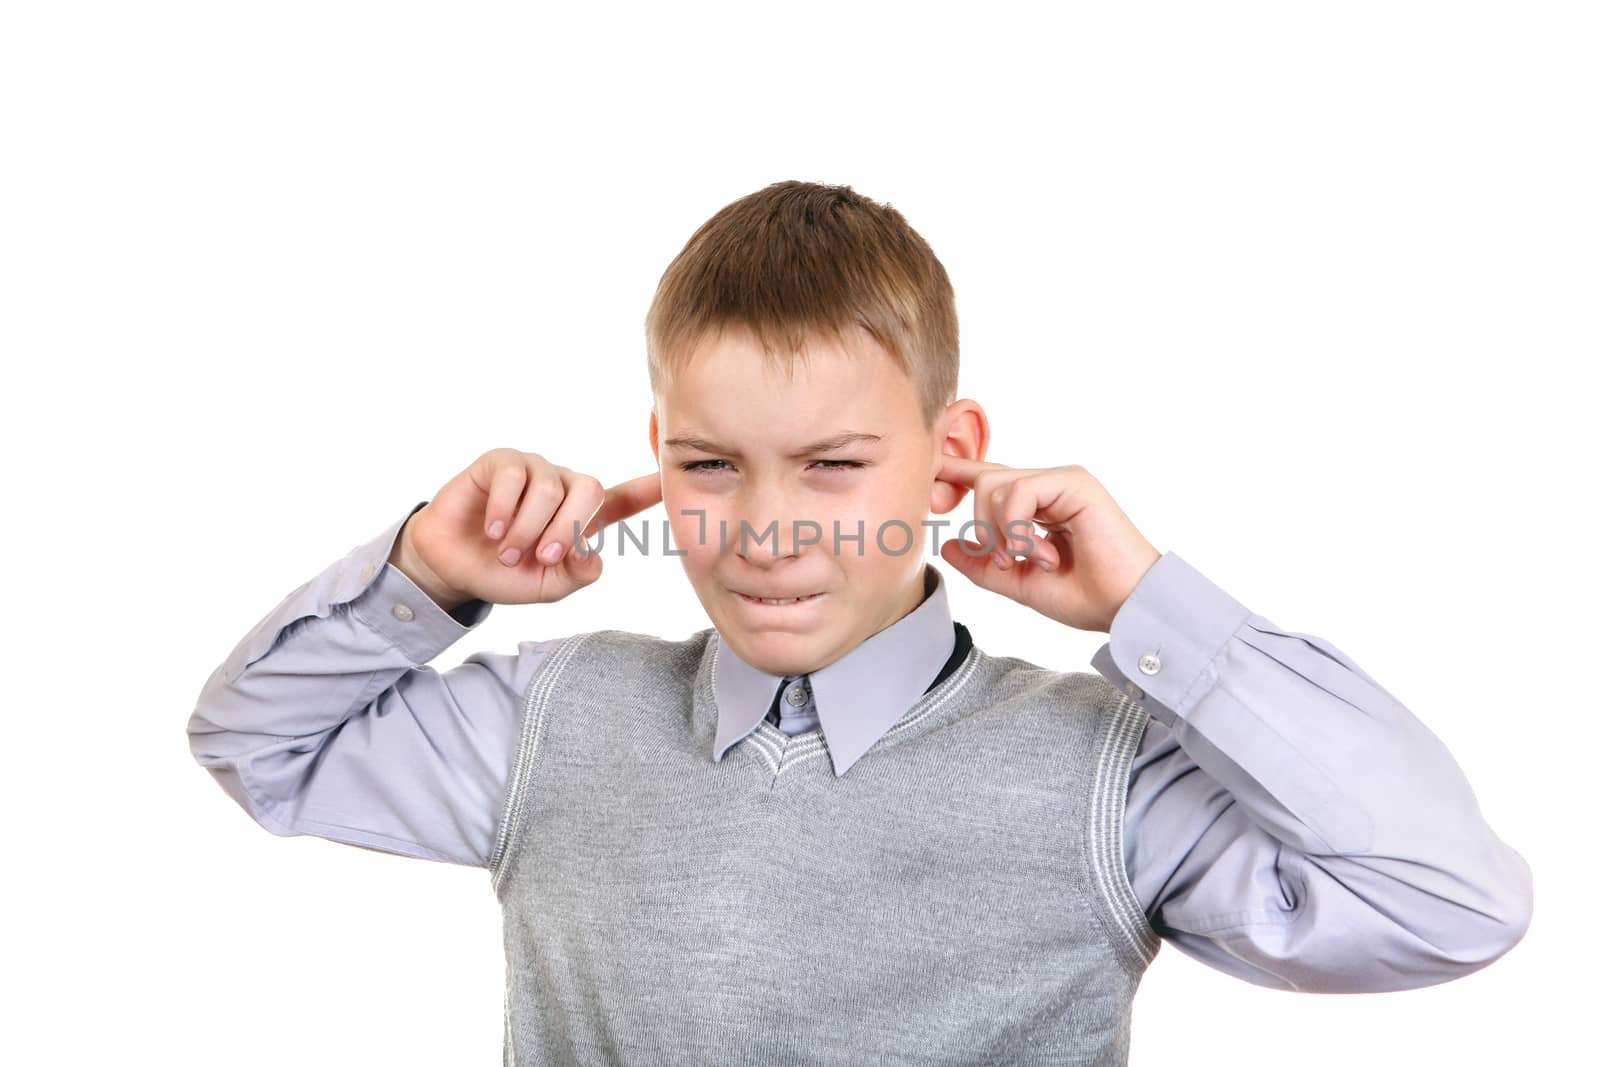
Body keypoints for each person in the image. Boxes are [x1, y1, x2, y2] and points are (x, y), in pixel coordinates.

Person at [187, 179, 1533, 1064]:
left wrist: (1147, 602)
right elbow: (261, 745)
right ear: (658, 446)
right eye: (712, 467)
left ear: (951, 461)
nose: (767, 531)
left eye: (835, 466)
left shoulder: (1106, 771)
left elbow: (1450, 905)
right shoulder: (554, 718)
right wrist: (431, 572)